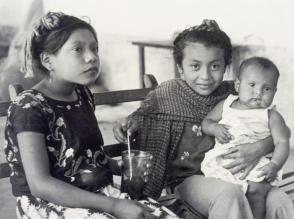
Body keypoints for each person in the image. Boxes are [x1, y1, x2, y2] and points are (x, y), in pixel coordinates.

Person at [113, 19, 294, 219]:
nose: (205, 76)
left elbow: (282, 131)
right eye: (195, 66)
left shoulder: (236, 95)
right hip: (190, 181)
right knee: (229, 195)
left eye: (215, 66)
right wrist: (128, 123)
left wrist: (259, 148)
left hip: (240, 175)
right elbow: (142, 117)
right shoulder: (168, 94)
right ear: (181, 68)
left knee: (279, 200)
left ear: (226, 67)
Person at [4, 11, 175, 219]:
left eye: (95, 49)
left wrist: (120, 165)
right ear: (48, 60)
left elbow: (83, 157)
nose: (92, 57)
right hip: (49, 203)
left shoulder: (82, 94)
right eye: (78, 49)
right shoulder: (30, 107)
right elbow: (41, 185)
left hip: (97, 194)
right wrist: (113, 206)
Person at [201, 57, 290, 219]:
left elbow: (282, 142)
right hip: (224, 161)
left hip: (257, 164)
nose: (258, 92)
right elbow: (206, 122)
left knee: (255, 190)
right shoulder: (226, 105)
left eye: (267, 89)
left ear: (275, 92)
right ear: (237, 85)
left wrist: (275, 164)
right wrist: (215, 128)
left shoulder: (271, 116)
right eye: (252, 85)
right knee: (228, 193)